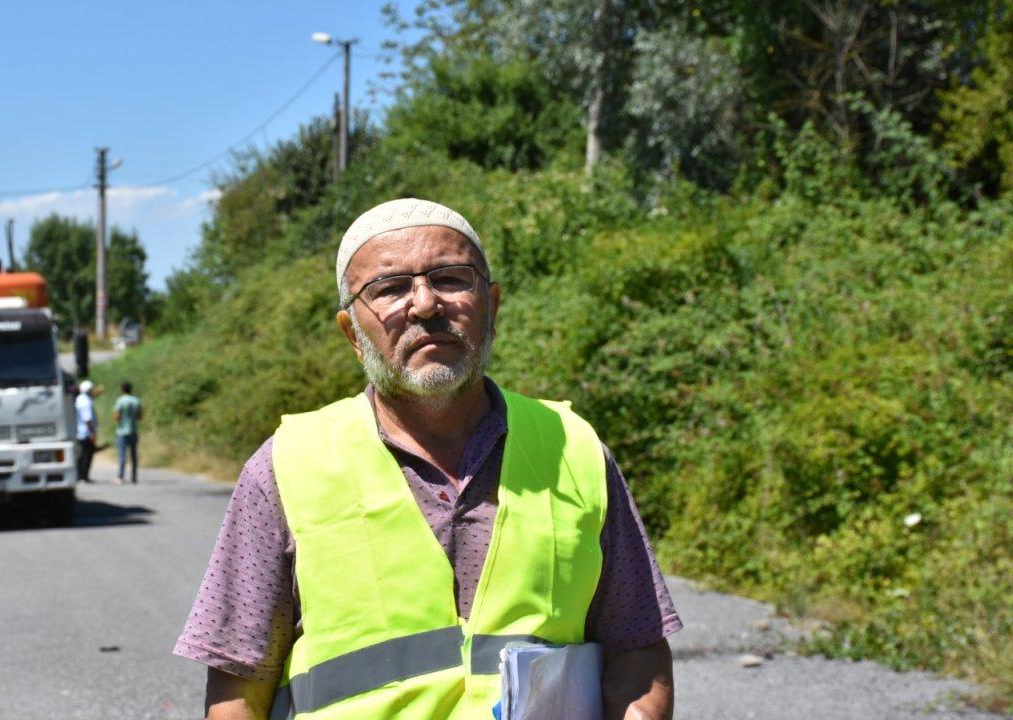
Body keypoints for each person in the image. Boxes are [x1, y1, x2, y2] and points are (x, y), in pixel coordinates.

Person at [175, 198, 680, 720]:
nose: (425, 304)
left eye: (451, 278)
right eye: (390, 288)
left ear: (493, 306)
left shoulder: (575, 450)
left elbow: (636, 649)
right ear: (352, 332)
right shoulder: (284, 466)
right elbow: (238, 688)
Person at [113, 380, 143, 484]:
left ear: (122, 390)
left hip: (122, 431)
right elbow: (140, 416)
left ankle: (120, 476)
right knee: (134, 455)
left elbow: (117, 416)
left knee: (122, 455)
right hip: (133, 430)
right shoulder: (136, 400)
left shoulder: (120, 401)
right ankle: (134, 476)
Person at [75, 379, 97, 483]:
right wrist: (92, 432)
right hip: (86, 432)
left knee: (82, 455)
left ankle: (81, 475)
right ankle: (84, 476)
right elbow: (87, 419)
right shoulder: (86, 401)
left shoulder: (80, 398)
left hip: (80, 431)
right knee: (87, 455)